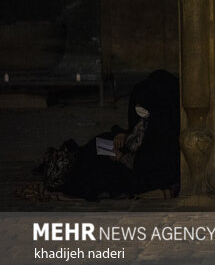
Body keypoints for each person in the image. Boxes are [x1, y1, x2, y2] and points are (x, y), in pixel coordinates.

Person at [39, 70, 180, 200]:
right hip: (130, 155)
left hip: (136, 173)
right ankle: (74, 161)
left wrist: (121, 158)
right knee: (100, 143)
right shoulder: (149, 116)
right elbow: (136, 134)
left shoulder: (165, 129)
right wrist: (123, 135)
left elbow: (152, 170)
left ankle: (70, 172)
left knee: (100, 171)